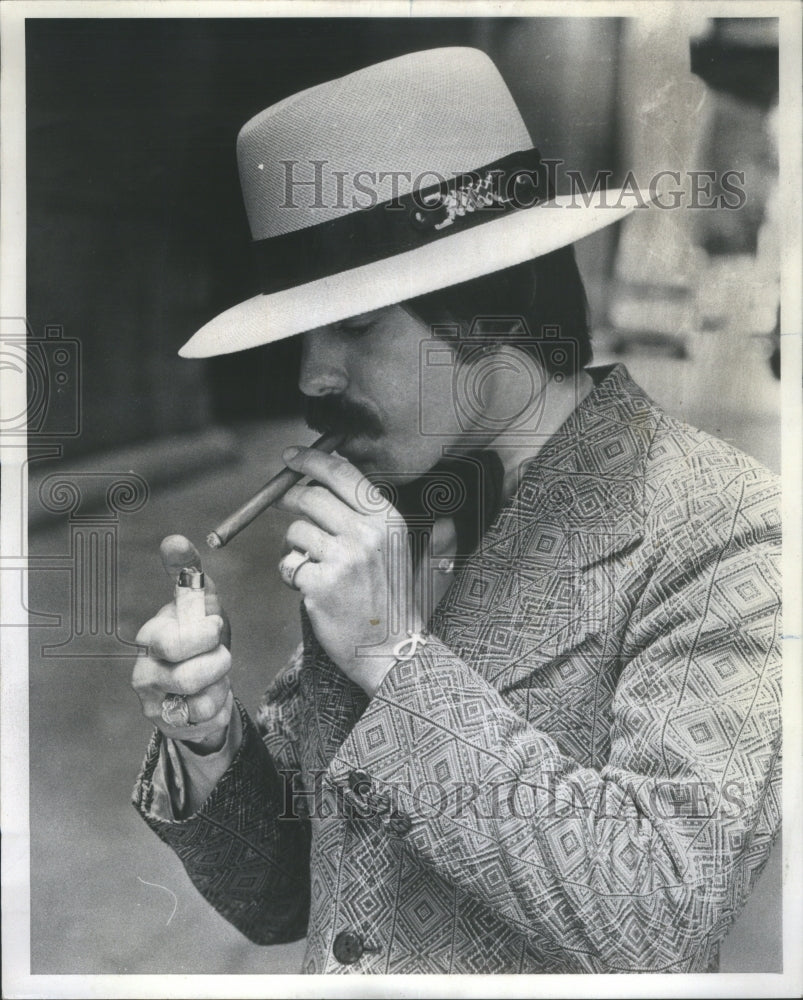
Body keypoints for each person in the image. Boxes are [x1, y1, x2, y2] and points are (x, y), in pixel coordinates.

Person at [131, 48, 781, 974]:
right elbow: (289, 893)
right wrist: (206, 739)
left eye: (357, 328)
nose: (312, 376)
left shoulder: (726, 528)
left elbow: (664, 919)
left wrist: (395, 662)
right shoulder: (397, 500)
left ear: (492, 303)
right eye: (302, 334)